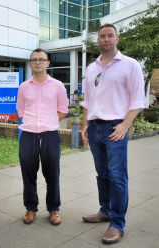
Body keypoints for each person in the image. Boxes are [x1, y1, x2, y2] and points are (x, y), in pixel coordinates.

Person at [80, 23, 145, 244]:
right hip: (95, 127)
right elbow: (87, 100)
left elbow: (138, 100)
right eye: (102, 36)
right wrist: (85, 124)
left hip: (115, 127)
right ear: (97, 41)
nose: (106, 39)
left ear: (117, 39)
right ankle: (105, 210)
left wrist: (125, 125)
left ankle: (117, 223)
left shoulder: (130, 65)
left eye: (110, 36)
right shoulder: (91, 67)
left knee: (118, 177)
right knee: (102, 175)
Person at [16, 48, 69, 226]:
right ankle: (31, 209)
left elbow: (63, 110)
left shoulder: (58, 85)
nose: (37, 62)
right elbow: (21, 110)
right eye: (34, 60)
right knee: (28, 175)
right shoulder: (23, 87)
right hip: (28, 136)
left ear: (47, 63)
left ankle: (54, 209)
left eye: (41, 59)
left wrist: (49, 121)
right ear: (30, 64)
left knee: (52, 174)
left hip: (50, 135)